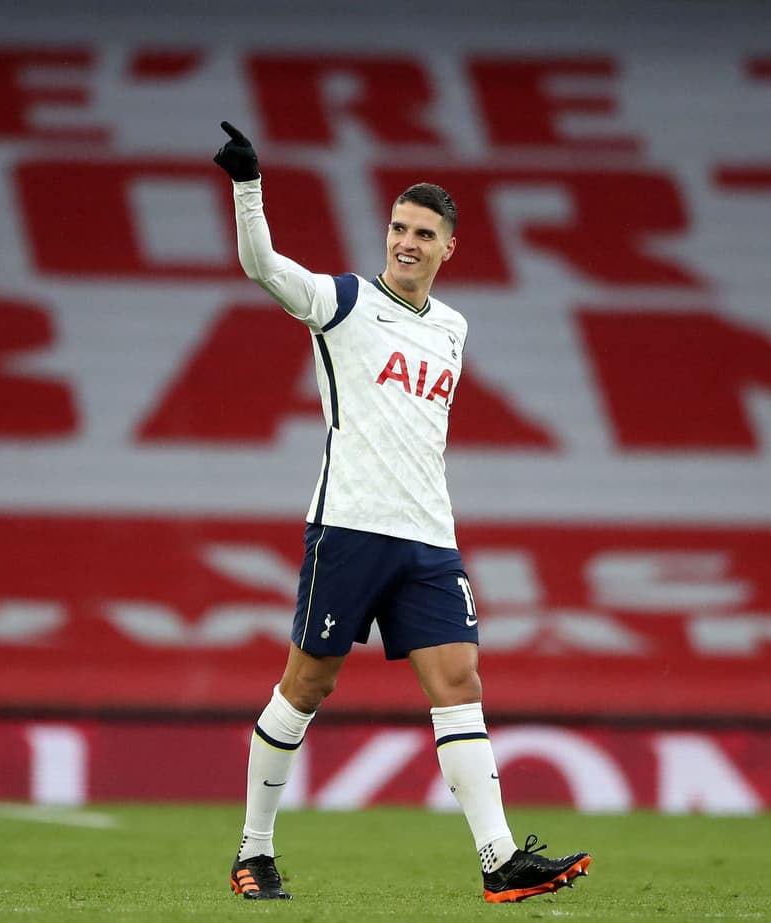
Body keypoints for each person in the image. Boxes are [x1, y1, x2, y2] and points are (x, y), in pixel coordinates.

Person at [212, 121, 591, 904]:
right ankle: (254, 850)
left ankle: (498, 858)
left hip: (428, 538)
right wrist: (248, 187)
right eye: (397, 227)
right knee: (307, 686)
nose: (406, 242)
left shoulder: (453, 327)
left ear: (450, 246)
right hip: (348, 528)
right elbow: (260, 266)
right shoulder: (344, 302)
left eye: (423, 233)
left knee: (459, 679)